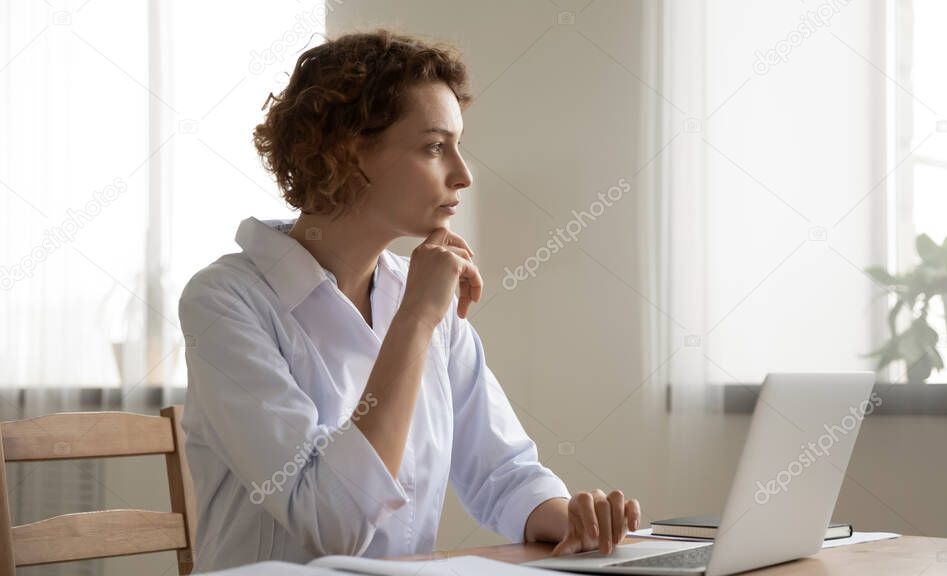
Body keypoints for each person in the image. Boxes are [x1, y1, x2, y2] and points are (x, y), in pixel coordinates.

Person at [178, 29, 641, 572]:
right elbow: (333, 522)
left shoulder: (421, 289)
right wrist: (417, 318)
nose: (463, 175)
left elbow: (503, 473)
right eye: (435, 147)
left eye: (458, 146)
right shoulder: (226, 301)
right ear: (350, 154)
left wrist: (569, 518)